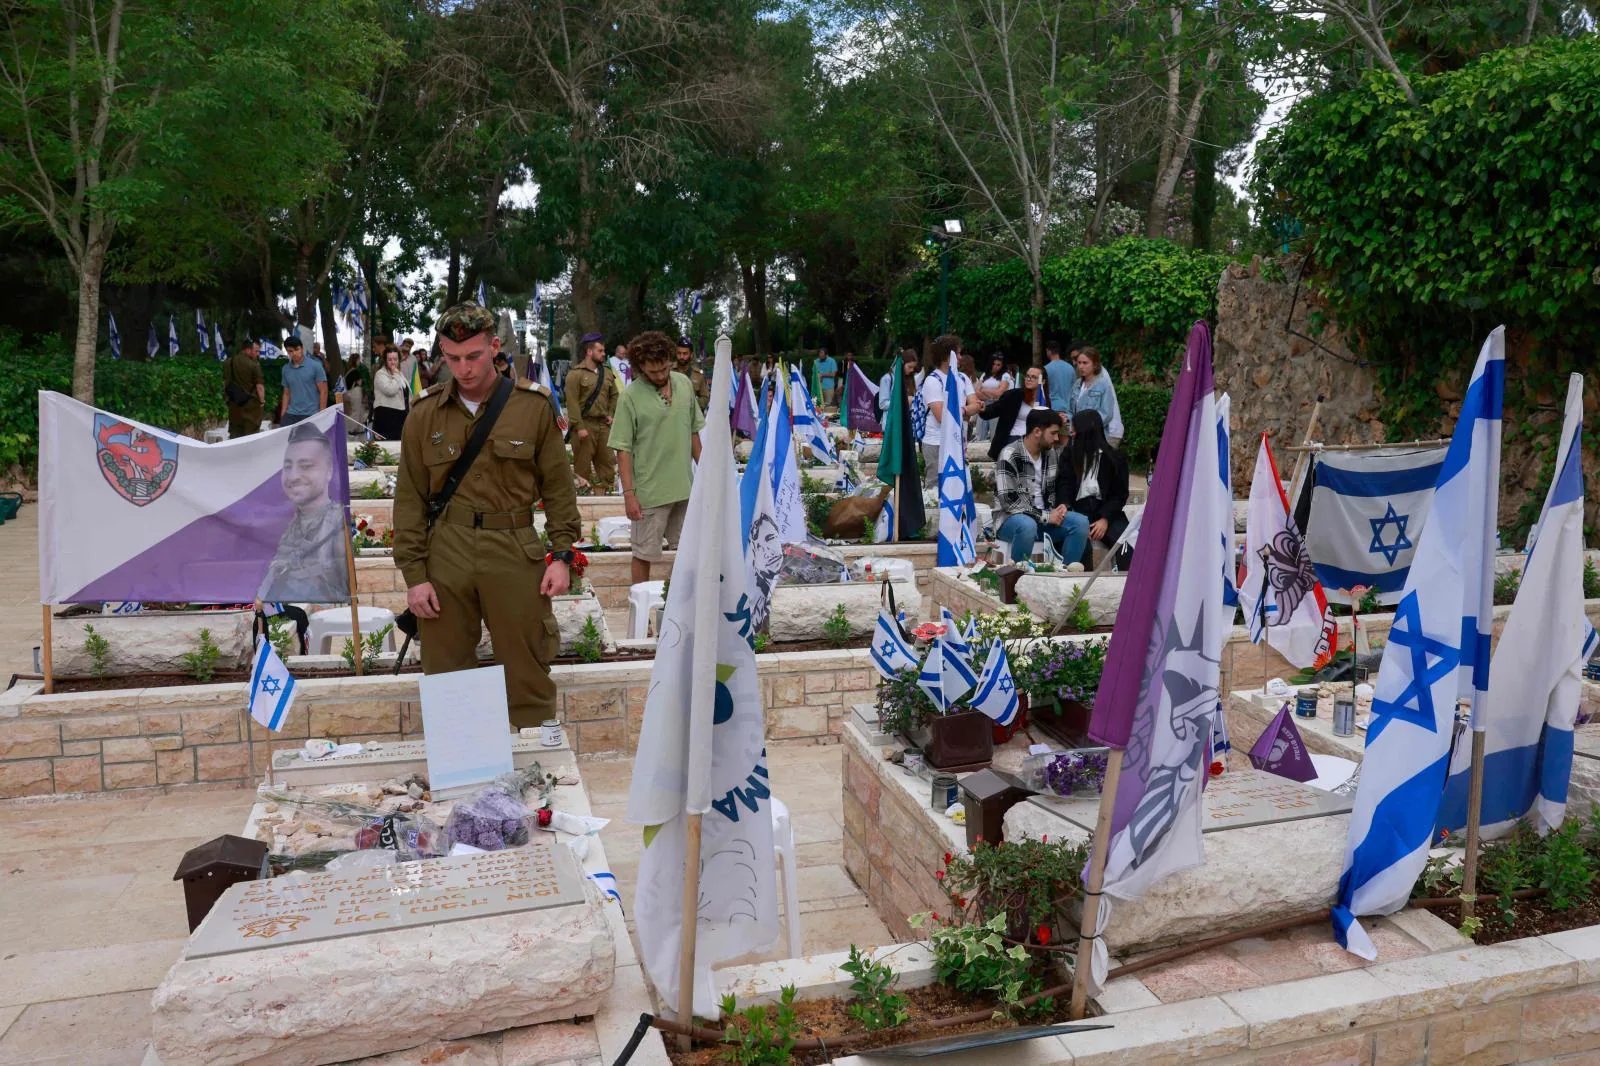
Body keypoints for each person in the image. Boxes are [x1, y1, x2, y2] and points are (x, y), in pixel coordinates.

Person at [393, 301, 581, 729]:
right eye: (453, 358)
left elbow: (558, 488)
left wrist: (562, 555)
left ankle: (535, 754)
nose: (464, 369)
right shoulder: (424, 414)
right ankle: (461, 758)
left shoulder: (532, 406)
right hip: (447, 550)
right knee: (446, 669)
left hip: (513, 545)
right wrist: (414, 576)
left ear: (495, 347)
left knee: (526, 661)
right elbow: (409, 500)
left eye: (473, 356)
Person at [609, 330, 705, 583]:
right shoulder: (629, 397)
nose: (661, 376)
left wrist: (706, 475)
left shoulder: (684, 384)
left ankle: (680, 602)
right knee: (643, 554)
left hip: (684, 489)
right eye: (653, 372)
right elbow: (622, 450)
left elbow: (694, 433)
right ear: (640, 367)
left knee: (689, 553)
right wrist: (629, 495)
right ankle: (640, 609)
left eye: (664, 369)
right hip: (649, 495)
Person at [257, 420, 350, 603]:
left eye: (306, 466)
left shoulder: (340, 526)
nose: (293, 476)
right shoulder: (284, 526)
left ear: (329, 471)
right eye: (287, 466)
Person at [993, 409, 1090, 566]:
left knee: (1080, 522)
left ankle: (1066, 573)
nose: (1056, 438)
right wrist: (1046, 516)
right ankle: (1018, 576)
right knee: (1027, 525)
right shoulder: (1009, 454)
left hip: (1045, 518)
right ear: (1037, 431)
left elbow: (1060, 483)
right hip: (1010, 520)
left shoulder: (1050, 453)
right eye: (1053, 433)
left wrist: (1062, 505)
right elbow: (1009, 502)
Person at [1068, 409, 1130, 568]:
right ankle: (1082, 583)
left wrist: (1105, 519)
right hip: (1078, 512)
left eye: (1075, 429)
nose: (1071, 433)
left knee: (1126, 544)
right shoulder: (1068, 456)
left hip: (1106, 511)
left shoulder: (1115, 458)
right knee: (1081, 546)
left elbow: (1120, 495)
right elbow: (1063, 486)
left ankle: (1127, 581)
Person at [917, 335, 978, 486]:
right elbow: (941, 417)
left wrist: (960, 411)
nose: (960, 357)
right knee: (935, 485)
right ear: (946, 355)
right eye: (957, 353)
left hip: (958, 441)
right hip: (936, 442)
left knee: (957, 486)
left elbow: (976, 405)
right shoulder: (933, 381)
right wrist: (966, 411)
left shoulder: (963, 378)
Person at [565, 332, 620, 493]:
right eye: (600, 351)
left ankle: (605, 496)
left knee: (607, 464)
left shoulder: (607, 373)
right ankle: (583, 498)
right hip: (584, 425)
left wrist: (611, 414)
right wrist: (579, 426)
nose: (603, 354)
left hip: (603, 425)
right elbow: (572, 403)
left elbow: (615, 395)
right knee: (582, 467)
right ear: (589, 352)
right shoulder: (575, 374)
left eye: (603, 350)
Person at [977, 364, 1048, 461]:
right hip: (1013, 439)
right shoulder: (1014, 395)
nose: (1029, 379)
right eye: (1027, 376)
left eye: (1034, 377)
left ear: (1043, 381)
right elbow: (995, 409)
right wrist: (983, 409)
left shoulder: (1045, 400)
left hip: (1035, 441)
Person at [1070, 345, 1125, 447]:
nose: (1081, 366)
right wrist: (1072, 426)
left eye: (1085, 363)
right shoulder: (1077, 384)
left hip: (1096, 437)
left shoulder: (1103, 384)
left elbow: (1106, 414)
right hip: (1078, 437)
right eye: (1079, 363)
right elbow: (1071, 410)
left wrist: (1085, 427)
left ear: (1095, 365)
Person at [278, 335, 327, 426]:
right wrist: (283, 414)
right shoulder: (285, 369)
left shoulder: (316, 366)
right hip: (291, 414)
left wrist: (321, 415)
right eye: (290, 351)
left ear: (302, 348)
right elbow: (286, 393)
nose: (294, 353)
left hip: (311, 414)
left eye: (297, 349)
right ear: (287, 352)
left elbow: (323, 391)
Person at [223, 337, 265, 439]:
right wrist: (262, 401)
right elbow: (259, 386)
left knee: (235, 434)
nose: (258, 354)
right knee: (251, 435)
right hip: (251, 406)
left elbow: (225, 382)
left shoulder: (228, 362)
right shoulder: (254, 365)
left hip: (234, 404)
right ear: (248, 350)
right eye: (256, 351)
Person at [372, 345, 409, 441]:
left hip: (399, 416)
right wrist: (396, 374)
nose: (393, 362)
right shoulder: (380, 374)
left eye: (395, 359)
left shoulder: (399, 373)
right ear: (385, 360)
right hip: (386, 417)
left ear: (399, 360)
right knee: (387, 448)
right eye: (390, 359)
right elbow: (390, 390)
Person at [975, 354, 1013, 441]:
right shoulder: (984, 375)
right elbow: (977, 392)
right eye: (994, 364)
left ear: (1002, 366)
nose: (995, 367)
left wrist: (984, 390)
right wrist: (992, 395)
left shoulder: (1005, 375)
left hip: (997, 406)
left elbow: (1000, 393)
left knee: (994, 435)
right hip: (983, 405)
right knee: (980, 435)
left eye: (998, 365)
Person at [880, 349, 918, 416]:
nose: (912, 370)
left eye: (913, 367)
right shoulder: (887, 379)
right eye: (910, 367)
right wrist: (904, 402)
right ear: (902, 364)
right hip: (892, 420)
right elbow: (883, 404)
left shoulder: (911, 379)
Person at [675, 338, 708, 411]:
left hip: (691, 414)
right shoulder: (668, 371)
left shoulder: (698, 375)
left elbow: (705, 398)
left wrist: (691, 403)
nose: (681, 357)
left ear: (691, 355)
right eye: (679, 353)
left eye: (685, 353)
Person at [1043, 338, 1074, 414]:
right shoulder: (1070, 368)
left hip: (1053, 408)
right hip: (1069, 409)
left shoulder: (1046, 369)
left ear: (1048, 351)